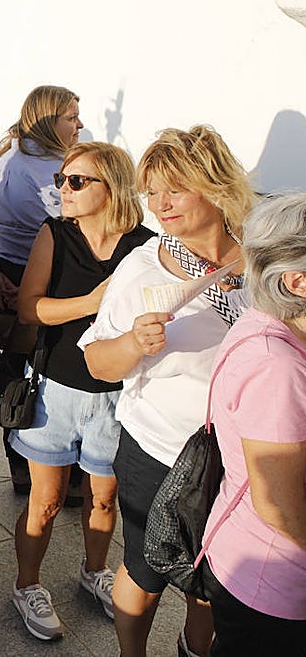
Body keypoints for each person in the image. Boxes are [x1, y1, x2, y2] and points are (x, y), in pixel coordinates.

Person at [81, 126, 254, 657]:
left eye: (173, 189)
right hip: (161, 451)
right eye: (151, 192)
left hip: (237, 454)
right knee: (146, 568)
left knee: (213, 574)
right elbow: (96, 361)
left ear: (216, 186)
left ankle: (193, 649)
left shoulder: (262, 260)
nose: (159, 205)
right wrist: (133, 343)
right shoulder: (143, 266)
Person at [10, 142, 155, 641]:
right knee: (45, 502)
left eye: (76, 181)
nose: (63, 190)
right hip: (58, 388)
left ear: (110, 186)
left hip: (120, 392)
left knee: (104, 498)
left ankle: (94, 574)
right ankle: (27, 584)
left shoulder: (146, 244)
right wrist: (91, 302)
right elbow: (30, 309)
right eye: (61, 180)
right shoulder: (54, 236)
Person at [200, 193, 306, 655]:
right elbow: (279, 503)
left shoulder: (268, 322)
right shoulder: (275, 366)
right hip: (275, 582)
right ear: (298, 281)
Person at [0, 85, 83, 496]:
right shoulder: (21, 164)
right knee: (27, 367)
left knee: (44, 364)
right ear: (47, 120)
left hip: (40, 271)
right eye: (71, 117)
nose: (80, 124)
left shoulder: (38, 157)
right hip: (30, 273)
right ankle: (27, 460)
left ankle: (48, 462)